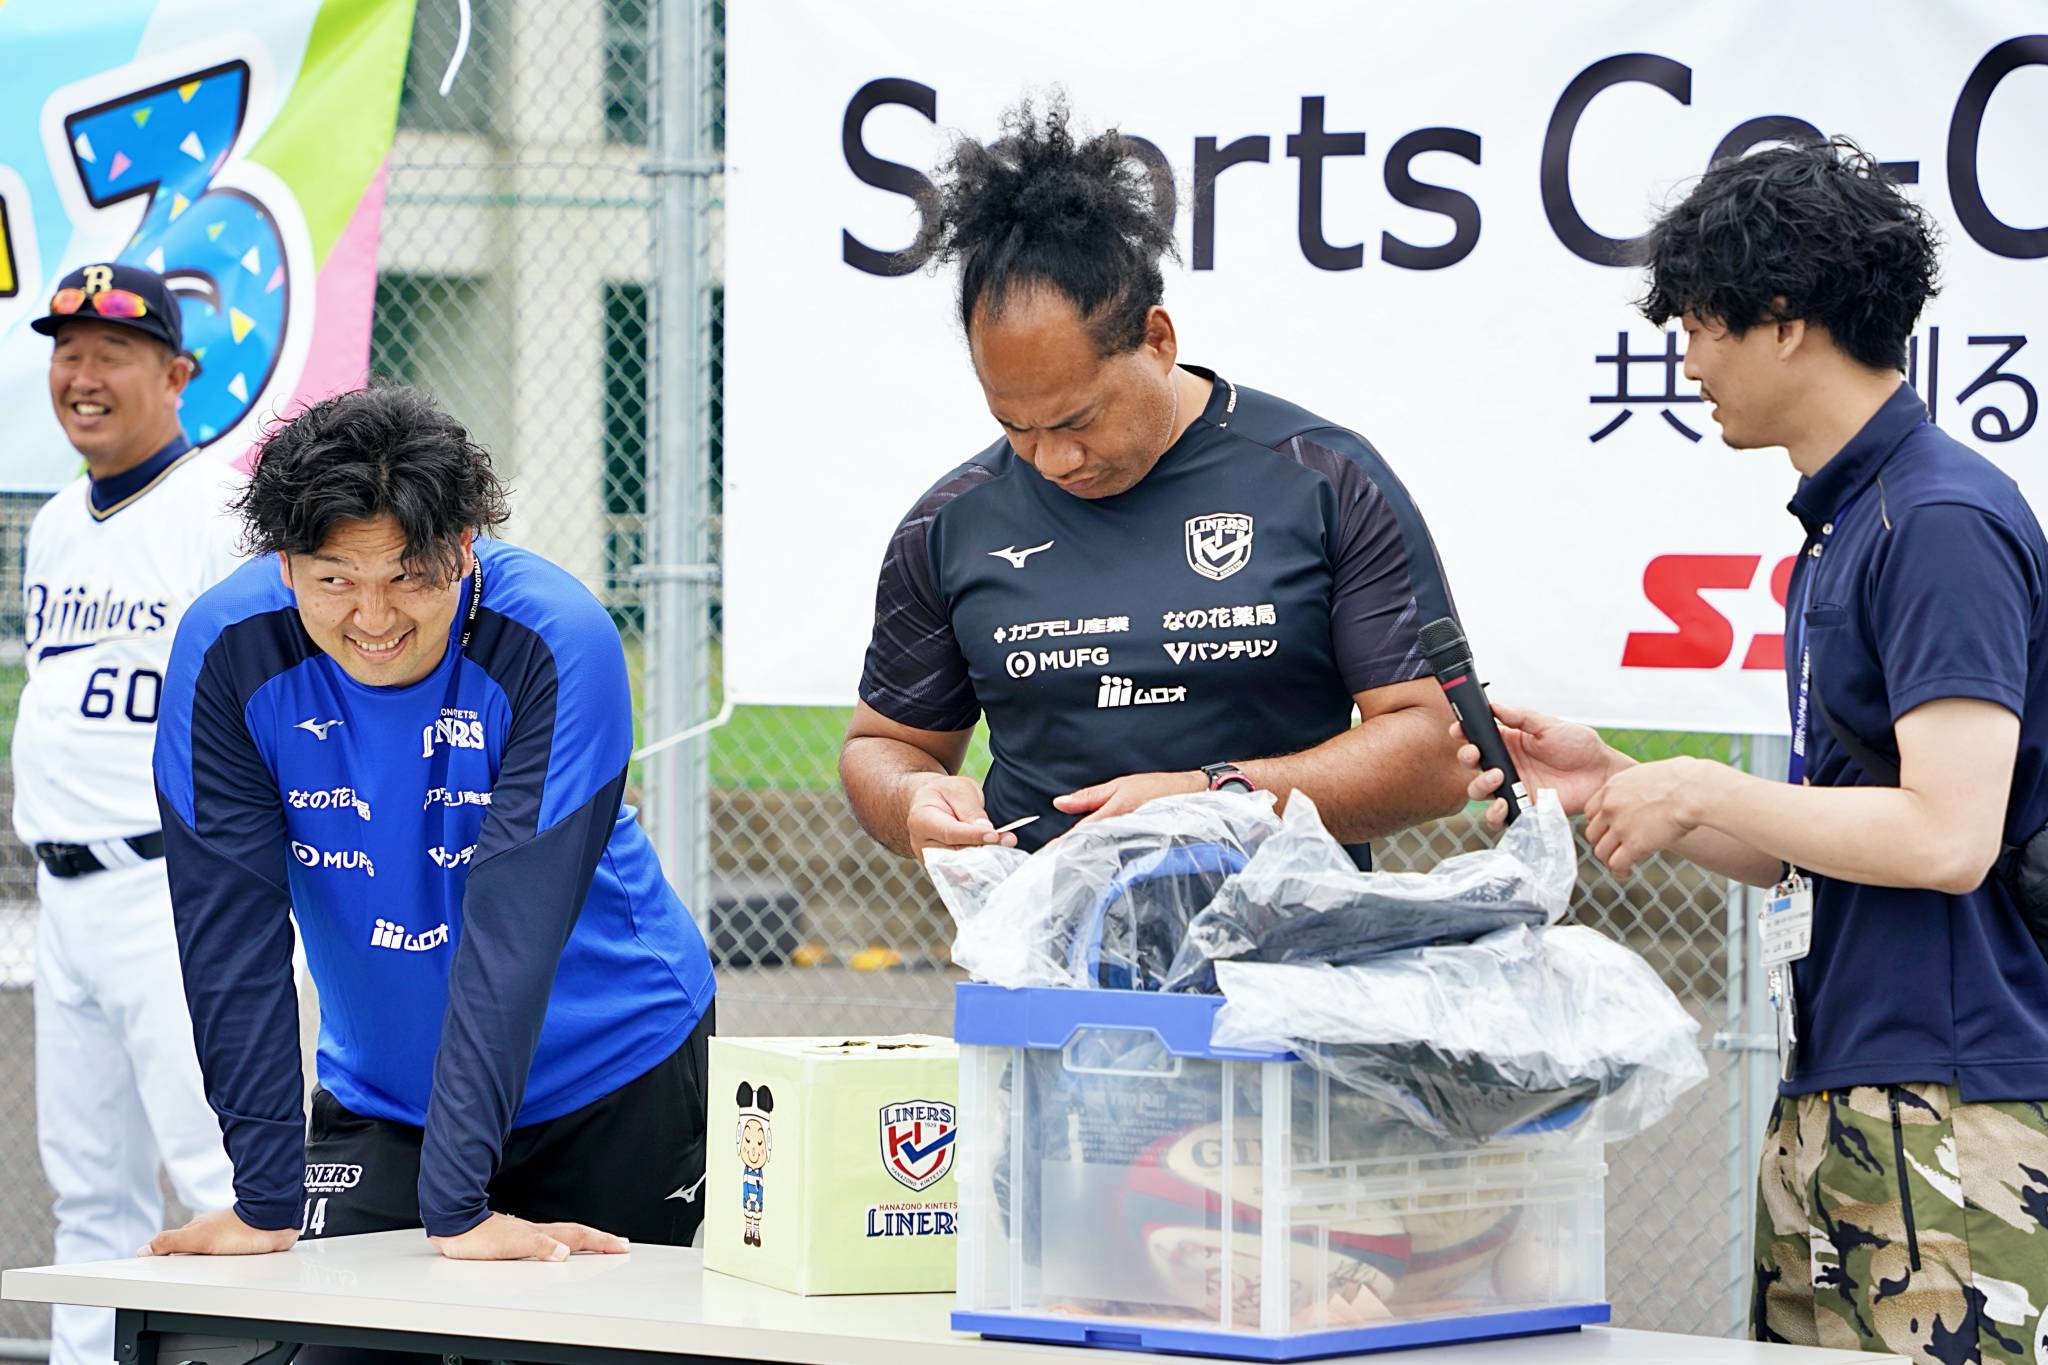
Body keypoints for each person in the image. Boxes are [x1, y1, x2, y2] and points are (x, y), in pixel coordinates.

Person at [1458, 140, 2048, 1362]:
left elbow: (1945, 837)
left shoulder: (1935, 519)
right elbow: (1821, 839)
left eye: (1696, 326)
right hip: (1841, 1086)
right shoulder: (1847, 524)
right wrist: (1626, 784)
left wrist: (1701, 783)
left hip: (1948, 1101)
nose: (1685, 363)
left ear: (1782, 321)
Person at [147, 384, 718, 1264]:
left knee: (572, 1327)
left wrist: (457, 1208)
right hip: (384, 1094)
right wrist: (264, 1195)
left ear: (463, 544)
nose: (374, 619)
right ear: (284, 564)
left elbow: (512, 935)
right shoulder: (226, 647)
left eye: (408, 576)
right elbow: (229, 933)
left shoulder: (558, 636)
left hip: (610, 1071)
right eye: (335, 580)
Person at [840, 98, 1468, 864]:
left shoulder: (1324, 480)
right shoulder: (950, 523)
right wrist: (911, 796)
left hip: (1289, 936)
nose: (1053, 459)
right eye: (1015, 425)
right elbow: (883, 744)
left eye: (1077, 419)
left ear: (1157, 340)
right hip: (1046, 938)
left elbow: (1440, 748)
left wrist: (1212, 800)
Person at [14, 263, 241, 1365]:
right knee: (90, 1191)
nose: (83, 375)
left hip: (172, 892)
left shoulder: (219, 513)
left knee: (225, 1185)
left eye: (113, 353)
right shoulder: (57, 521)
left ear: (179, 375)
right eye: (68, 352)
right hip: (63, 899)